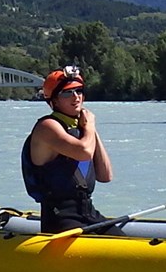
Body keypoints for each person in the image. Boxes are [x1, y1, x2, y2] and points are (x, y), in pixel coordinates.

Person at [22, 66, 115, 233]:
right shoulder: (47, 127)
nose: (75, 97)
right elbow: (84, 153)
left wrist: (89, 129)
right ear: (54, 101)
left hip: (88, 212)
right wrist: (90, 126)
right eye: (67, 93)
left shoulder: (84, 129)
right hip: (61, 217)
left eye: (78, 91)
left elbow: (106, 175)